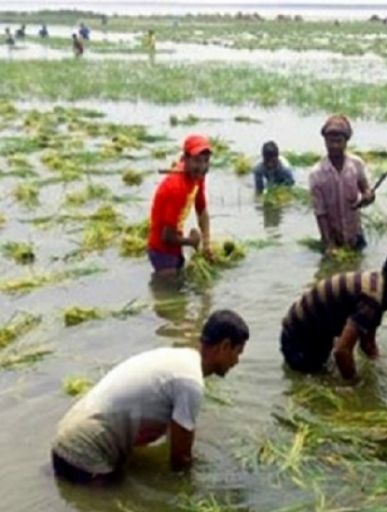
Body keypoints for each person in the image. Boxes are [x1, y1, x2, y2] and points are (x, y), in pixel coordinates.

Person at [51, 310, 249, 483]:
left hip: (66, 434)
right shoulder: (191, 383)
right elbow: (180, 461)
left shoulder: (178, 358)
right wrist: (188, 493)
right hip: (83, 454)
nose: (237, 361)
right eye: (237, 352)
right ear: (224, 346)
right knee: (121, 502)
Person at [280, 242, 387, 382]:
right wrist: (355, 387)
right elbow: (341, 351)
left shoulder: (377, 285)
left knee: (328, 372)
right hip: (298, 338)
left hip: (312, 329)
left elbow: (367, 344)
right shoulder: (372, 300)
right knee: (318, 381)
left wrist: (379, 368)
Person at [147, 134, 214, 275]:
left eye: (206, 161)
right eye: (197, 160)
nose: (202, 167)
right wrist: (192, 241)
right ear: (186, 159)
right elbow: (166, 236)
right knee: (169, 293)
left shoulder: (197, 176)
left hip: (175, 245)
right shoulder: (177, 188)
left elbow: (201, 209)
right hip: (162, 251)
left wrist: (206, 244)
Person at [309, 115, 374, 252]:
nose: (334, 146)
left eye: (339, 141)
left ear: (346, 142)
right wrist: (329, 245)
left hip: (355, 235)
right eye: (330, 141)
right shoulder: (317, 174)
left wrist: (368, 197)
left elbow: (366, 190)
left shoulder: (356, 164)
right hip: (333, 239)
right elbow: (320, 213)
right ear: (325, 142)